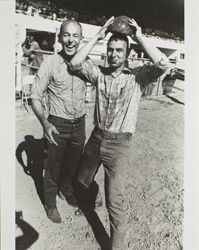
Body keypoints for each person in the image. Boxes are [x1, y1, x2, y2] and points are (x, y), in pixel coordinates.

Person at [70, 17, 171, 249]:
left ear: (127, 53)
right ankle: (94, 201)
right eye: (111, 50)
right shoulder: (99, 74)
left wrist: (139, 36)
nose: (115, 54)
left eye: (119, 50)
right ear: (107, 52)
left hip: (119, 144)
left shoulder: (138, 77)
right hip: (96, 138)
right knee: (82, 180)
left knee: (115, 202)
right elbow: (75, 63)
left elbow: (165, 65)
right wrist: (99, 34)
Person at [30, 19, 88, 223]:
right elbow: (35, 96)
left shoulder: (86, 63)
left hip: (79, 124)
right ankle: (50, 204)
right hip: (57, 124)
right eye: (67, 35)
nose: (71, 40)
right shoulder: (50, 63)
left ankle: (66, 189)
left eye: (75, 36)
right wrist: (45, 123)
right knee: (53, 167)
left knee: (74, 165)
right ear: (60, 37)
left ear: (81, 39)